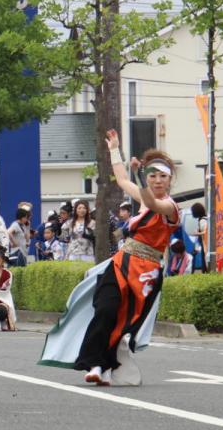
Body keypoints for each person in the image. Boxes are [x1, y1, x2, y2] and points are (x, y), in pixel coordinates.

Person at [40, 132, 177, 387]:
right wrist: (115, 149)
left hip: (145, 275)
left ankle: (108, 364)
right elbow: (122, 180)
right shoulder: (144, 198)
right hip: (121, 263)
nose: (157, 180)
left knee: (124, 322)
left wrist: (139, 174)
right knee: (104, 309)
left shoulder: (169, 207)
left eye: (163, 176)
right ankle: (95, 364)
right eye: (152, 176)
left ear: (170, 180)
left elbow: (153, 203)